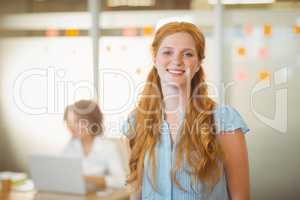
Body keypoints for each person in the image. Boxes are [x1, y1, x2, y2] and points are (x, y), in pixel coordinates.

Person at [122, 22, 250, 200]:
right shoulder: (136, 121)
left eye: (188, 54)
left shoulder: (224, 120)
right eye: (167, 52)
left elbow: (240, 197)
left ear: (198, 63)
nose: (177, 61)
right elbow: (136, 193)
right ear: (155, 58)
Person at [63, 100, 126, 189]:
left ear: (93, 121)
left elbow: (121, 181)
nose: (72, 127)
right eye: (69, 122)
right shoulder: (70, 147)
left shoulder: (108, 147)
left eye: (78, 121)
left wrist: (91, 179)